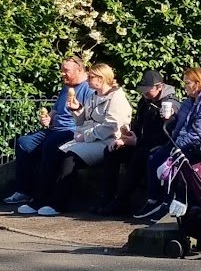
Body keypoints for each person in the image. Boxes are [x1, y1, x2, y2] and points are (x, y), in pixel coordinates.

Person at [134, 66, 201, 222]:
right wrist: (169, 120)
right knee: (154, 159)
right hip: (182, 142)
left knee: (172, 165)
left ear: (197, 83)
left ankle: (167, 203)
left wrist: (178, 145)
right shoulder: (188, 101)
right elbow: (179, 125)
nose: (184, 87)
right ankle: (154, 200)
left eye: (187, 83)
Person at [6, 57, 94, 216]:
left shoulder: (88, 88)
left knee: (50, 146)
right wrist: (49, 118)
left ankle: (42, 197)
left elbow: (88, 116)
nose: (63, 74)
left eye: (66, 71)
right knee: (24, 143)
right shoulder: (66, 87)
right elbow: (56, 109)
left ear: (79, 70)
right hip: (54, 129)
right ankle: (24, 191)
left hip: (72, 130)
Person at [49, 64, 134, 215]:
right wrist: (76, 109)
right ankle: (47, 199)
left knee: (70, 157)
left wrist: (86, 136)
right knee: (56, 153)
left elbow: (111, 126)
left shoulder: (116, 98)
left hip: (106, 140)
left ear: (101, 79)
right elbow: (84, 120)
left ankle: (58, 204)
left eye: (91, 77)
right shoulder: (94, 95)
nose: (87, 80)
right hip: (89, 138)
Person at [109, 71, 179, 214]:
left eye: (148, 90)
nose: (144, 94)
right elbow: (139, 124)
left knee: (140, 155)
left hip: (157, 145)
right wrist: (129, 134)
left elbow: (165, 135)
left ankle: (122, 200)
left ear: (159, 87)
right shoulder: (145, 101)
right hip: (141, 141)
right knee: (113, 151)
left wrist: (137, 141)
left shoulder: (169, 105)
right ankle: (108, 197)